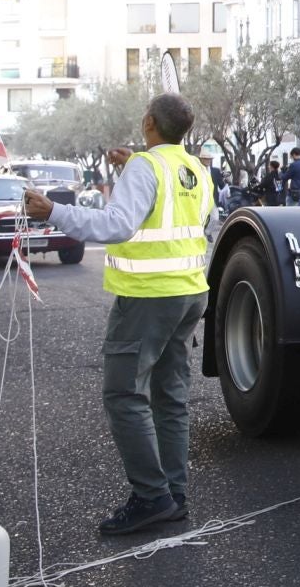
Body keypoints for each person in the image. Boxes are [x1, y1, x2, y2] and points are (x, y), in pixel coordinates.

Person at [23, 92, 211, 534]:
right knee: (170, 395)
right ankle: (173, 493)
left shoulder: (147, 168)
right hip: (189, 292)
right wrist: (135, 165)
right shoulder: (195, 170)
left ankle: (151, 496)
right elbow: (183, 216)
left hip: (149, 297)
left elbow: (115, 225)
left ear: (148, 122)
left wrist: (54, 211)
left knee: (124, 395)